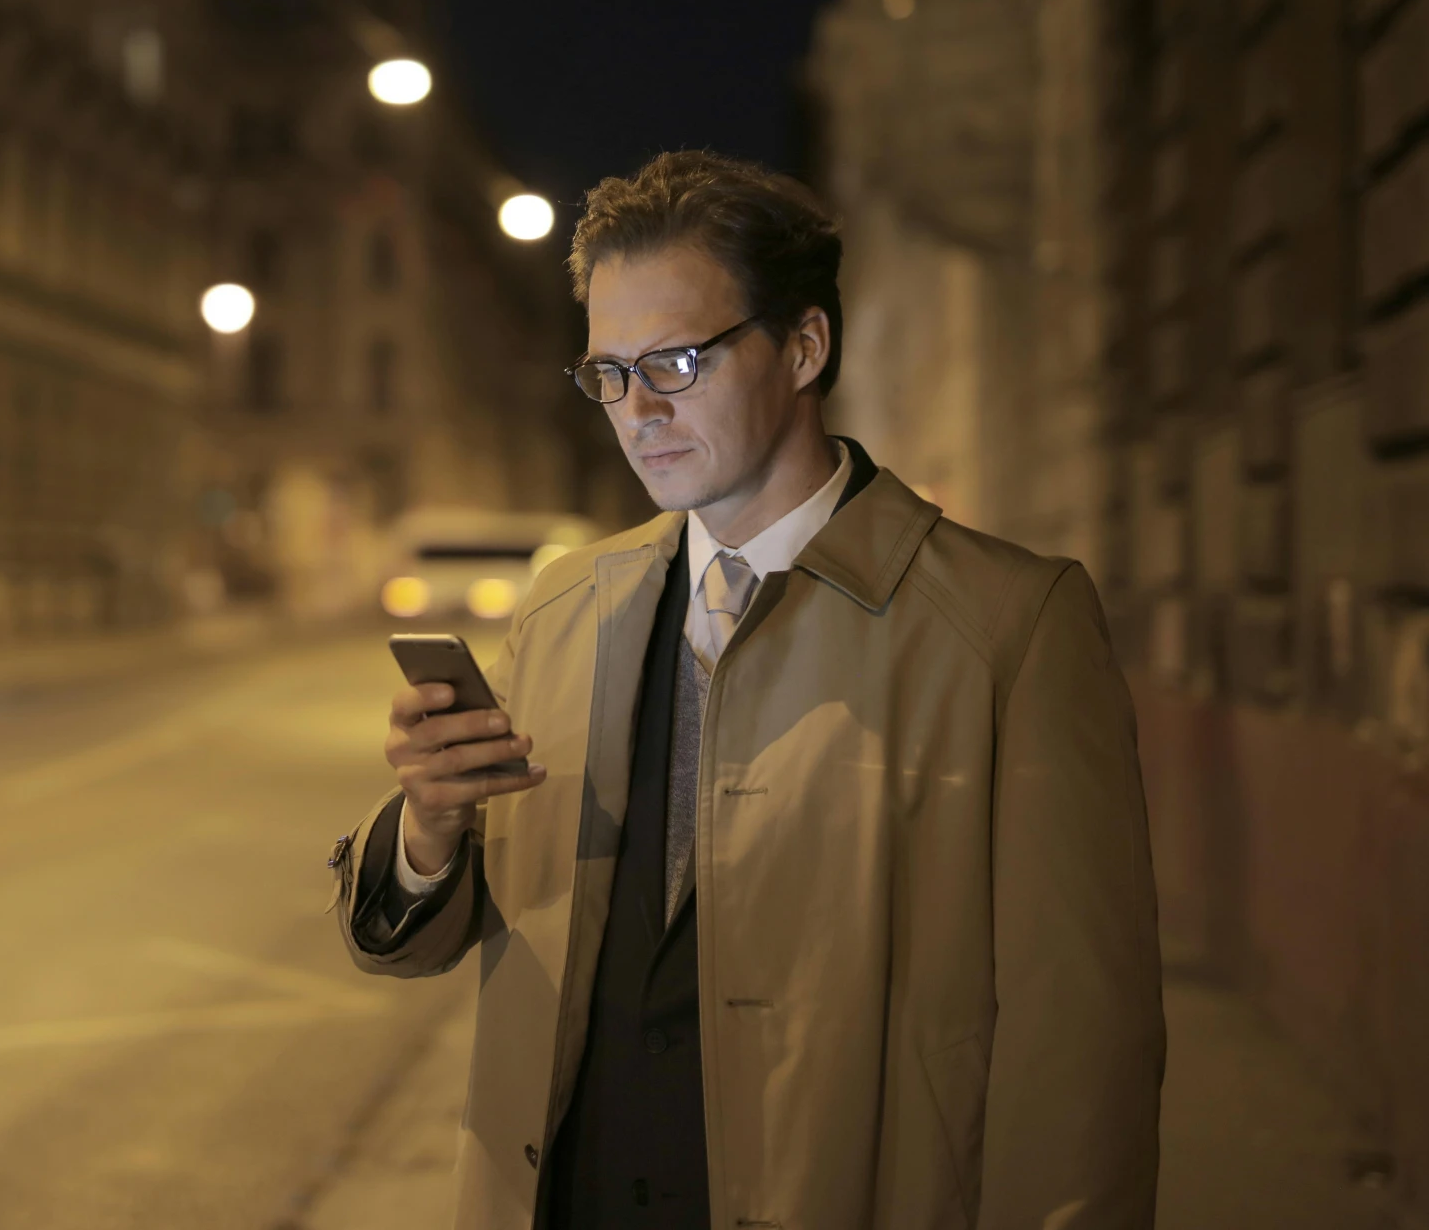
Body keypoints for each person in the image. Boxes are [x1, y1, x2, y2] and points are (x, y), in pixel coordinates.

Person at [331, 151, 1165, 1229]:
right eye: (607, 373)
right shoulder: (563, 606)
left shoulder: (1010, 624)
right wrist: (429, 830)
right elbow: (458, 932)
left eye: (676, 362)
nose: (637, 411)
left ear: (804, 345)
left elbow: (1080, 1053)